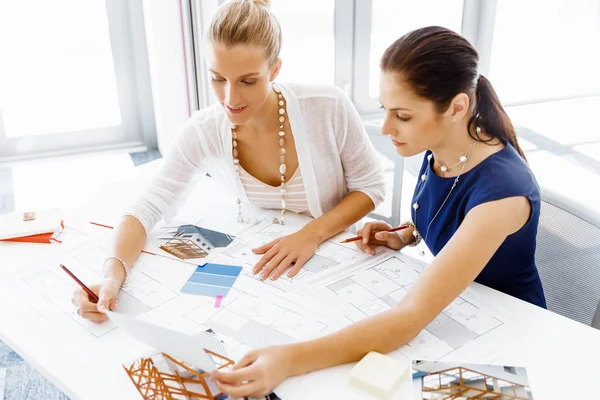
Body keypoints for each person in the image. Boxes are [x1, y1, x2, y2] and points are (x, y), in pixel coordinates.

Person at [210, 26, 547, 398]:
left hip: (509, 337)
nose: (386, 128)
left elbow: (408, 318)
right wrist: (405, 234)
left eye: (402, 116)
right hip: (459, 310)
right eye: (386, 110)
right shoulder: (444, 144)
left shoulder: (502, 195)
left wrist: (286, 360)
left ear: (456, 107)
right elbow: (449, 216)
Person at [71, 0, 384, 322]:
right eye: (218, 79)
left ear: (274, 70)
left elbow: (371, 186)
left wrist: (311, 235)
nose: (230, 99)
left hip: (333, 254)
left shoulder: (325, 105)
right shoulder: (204, 129)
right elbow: (146, 208)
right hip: (263, 265)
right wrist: (111, 276)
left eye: (248, 81)